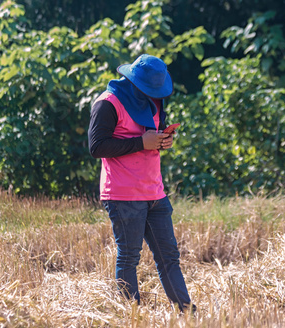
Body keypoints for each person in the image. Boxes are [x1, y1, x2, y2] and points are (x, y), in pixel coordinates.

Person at [88, 54, 194, 312]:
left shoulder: (155, 101)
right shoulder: (107, 104)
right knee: (129, 257)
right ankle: (132, 316)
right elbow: (96, 147)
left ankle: (188, 314)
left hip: (154, 192)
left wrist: (163, 140)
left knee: (169, 257)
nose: (155, 94)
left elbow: (153, 133)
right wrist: (140, 143)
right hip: (123, 195)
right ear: (134, 81)